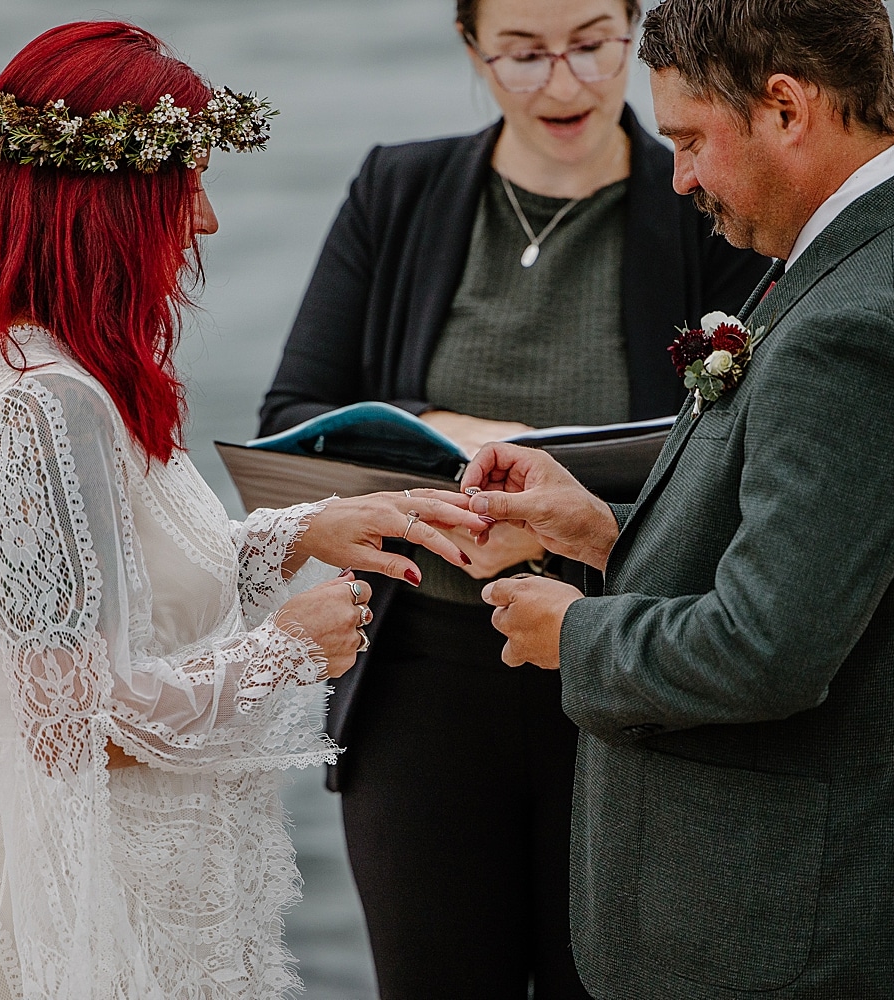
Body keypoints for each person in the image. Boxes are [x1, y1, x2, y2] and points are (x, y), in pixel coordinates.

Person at [451, 0, 894, 996]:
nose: (677, 174)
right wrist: (603, 532)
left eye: (689, 139)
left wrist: (578, 632)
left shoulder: (869, 323)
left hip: (787, 933)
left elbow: (767, 649)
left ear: (785, 106)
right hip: (814, 904)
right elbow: (821, 566)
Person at [0, 22, 484, 1000]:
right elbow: (69, 728)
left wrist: (297, 532)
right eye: (189, 188)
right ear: (111, 208)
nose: (207, 222)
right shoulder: (47, 410)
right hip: (96, 923)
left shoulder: (32, 370)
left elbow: (120, 592)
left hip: (125, 883)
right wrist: (288, 649)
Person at [258, 0, 770, 995]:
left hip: (621, 670)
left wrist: (553, 516)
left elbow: (744, 448)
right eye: (524, 55)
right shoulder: (395, 189)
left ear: (634, 28)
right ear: (471, 50)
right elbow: (297, 415)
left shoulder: (705, 195)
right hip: (421, 681)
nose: (565, 82)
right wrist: (464, 469)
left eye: (591, 44)